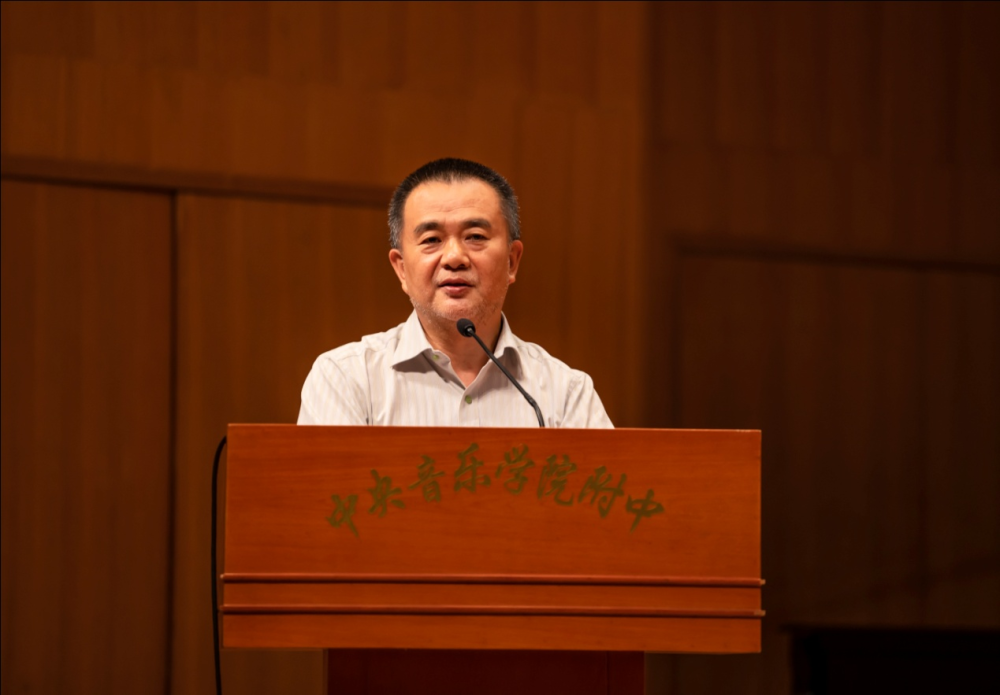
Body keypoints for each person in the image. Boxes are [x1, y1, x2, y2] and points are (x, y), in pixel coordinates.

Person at [297, 158, 613, 428]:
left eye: (475, 236)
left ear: (512, 261)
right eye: (432, 240)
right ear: (401, 269)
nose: (454, 258)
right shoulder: (348, 379)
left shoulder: (567, 394)